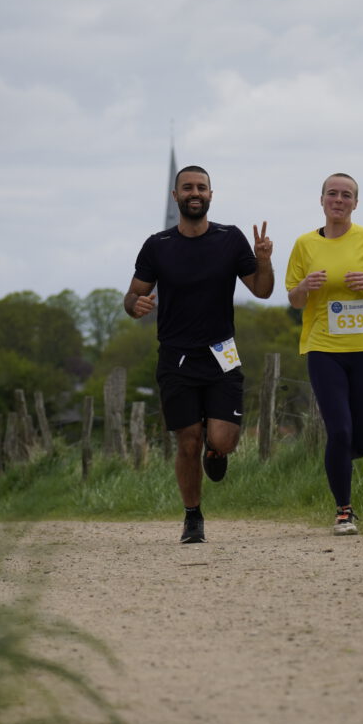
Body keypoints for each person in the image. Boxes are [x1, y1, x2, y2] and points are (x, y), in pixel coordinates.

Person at [124, 165, 274, 544]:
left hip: (222, 354)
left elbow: (262, 290)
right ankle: (193, 517)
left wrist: (263, 259)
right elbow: (133, 294)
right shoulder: (158, 245)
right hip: (176, 358)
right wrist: (135, 305)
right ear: (175, 196)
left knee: (223, 440)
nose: (195, 193)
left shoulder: (230, 238)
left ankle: (216, 451)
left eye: (202, 187)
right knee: (187, 440)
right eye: (188, 187)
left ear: (210, 195)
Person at [285, 172, 363, 536]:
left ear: (355, 203)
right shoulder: (304, 244)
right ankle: (344, 511)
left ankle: (338, 461)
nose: (339, 199)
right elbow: (294, 300)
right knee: (339, 430)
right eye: (332, 193)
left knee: (361, 441)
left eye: (346, 195)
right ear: (321, 200)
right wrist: (305, 286)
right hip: (324, 349)